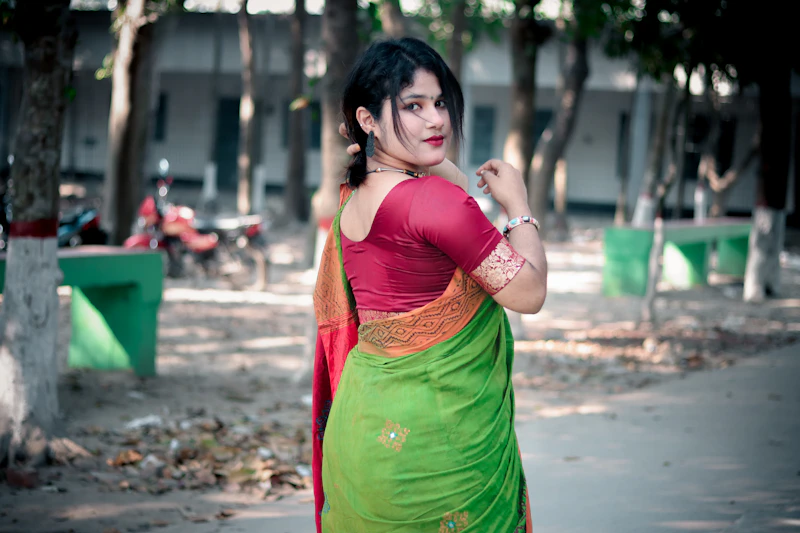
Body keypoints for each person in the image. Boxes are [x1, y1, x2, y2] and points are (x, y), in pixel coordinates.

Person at [312, 37, 547, 533]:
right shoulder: (434, 204)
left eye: (439, 103)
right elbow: (529, 293)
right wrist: (519, 208)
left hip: (362, 435)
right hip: (436, 453)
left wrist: (381, 138)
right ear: (367, 119)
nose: (437, 119)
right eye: (412, 106)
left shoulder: (353, 199)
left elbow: (450, 185)